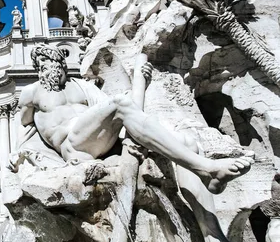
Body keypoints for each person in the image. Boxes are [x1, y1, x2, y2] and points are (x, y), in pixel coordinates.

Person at [16, 44, 252, 195]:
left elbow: (119, 107)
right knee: (121, 104)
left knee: (186, 141)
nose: (51, 67)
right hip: (73, 144)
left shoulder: (81, 86)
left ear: (63, 64)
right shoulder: (32, 92)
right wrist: (22, 157)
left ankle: (212, 234)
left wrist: (141, 82)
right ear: (38, 68)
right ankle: (207, 169)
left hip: (98, 137)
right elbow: (25, 127)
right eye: (44, 63)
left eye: (55, 62)